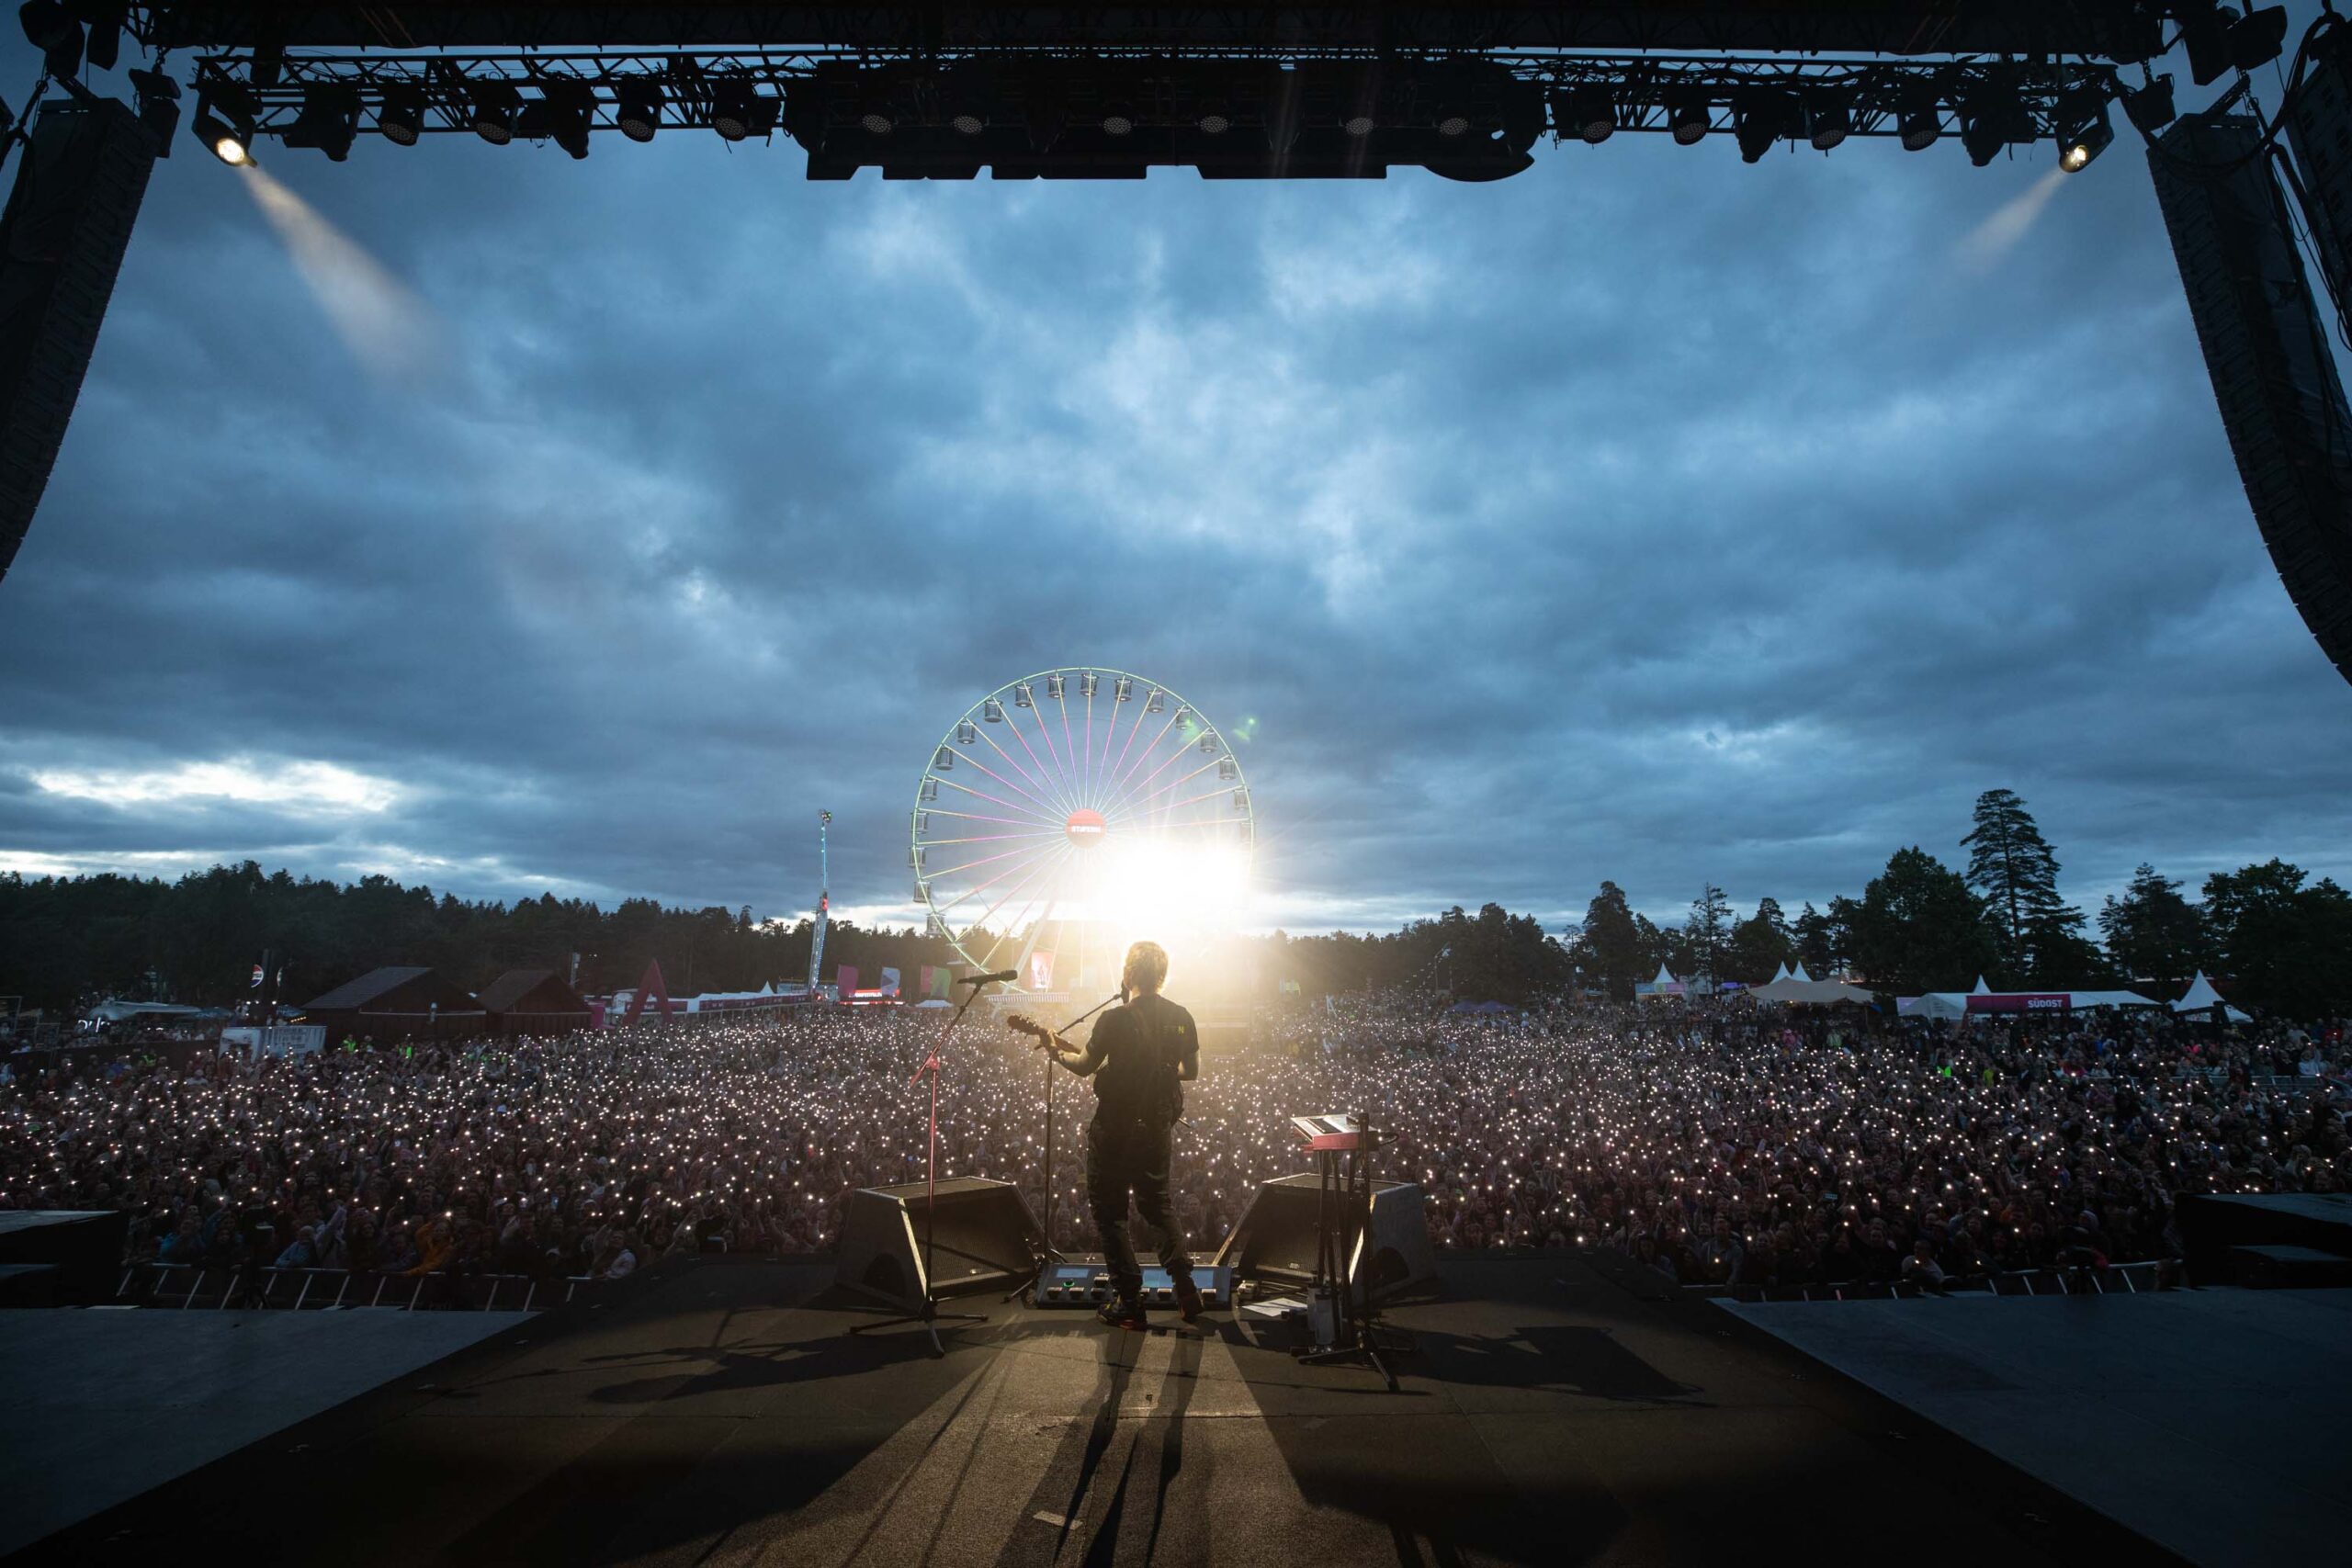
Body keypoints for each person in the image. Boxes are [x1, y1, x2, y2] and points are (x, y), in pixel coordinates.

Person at [1043, 941, 1203, 1330]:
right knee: (1158, 1205)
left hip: (1113, 1130)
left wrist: (1053, 1050)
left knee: (1111, 1213)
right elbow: (1192, 1071)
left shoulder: (1114, 1020)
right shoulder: (1182, 1016)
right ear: (1163, 975)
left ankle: (1130, 1301)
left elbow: (1084, 1065)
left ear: (1128, 974)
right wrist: (1158, 1074)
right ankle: (1186, 1287)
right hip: (1155, 1130)